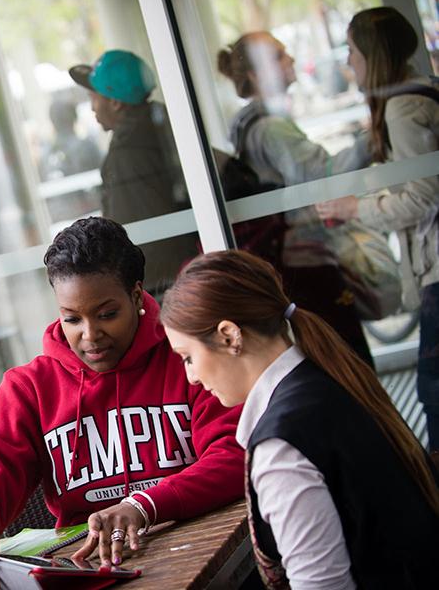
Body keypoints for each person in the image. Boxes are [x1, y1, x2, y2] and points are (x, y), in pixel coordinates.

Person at [0, 217, 244, 589]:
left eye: (107, 314)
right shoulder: (30, 388)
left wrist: (143, 505)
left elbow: (234, 454)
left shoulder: (187, 359)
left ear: (135, 295)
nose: (90, 334)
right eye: (72, 319)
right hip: (92, 571)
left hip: (203, 553)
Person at [160, 249, 439, 588]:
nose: (190, 377)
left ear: (229, 336)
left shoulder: (281, 446)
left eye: (188, 357)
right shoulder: (329, 377)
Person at [316, 6, 439, 453]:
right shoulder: (423, 93)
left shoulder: (404, 108)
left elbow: (425, 194)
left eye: (352, 51)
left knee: (433, 392)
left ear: (373, 53)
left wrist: (356, 208)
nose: (349, 62)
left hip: (438, 271)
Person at [217, 31, 374, 367]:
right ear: (257, 74)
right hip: (307, 258)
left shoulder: (247, 124)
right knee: (350, 360)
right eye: (279, 55)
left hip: (289, 258)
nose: (289, 60)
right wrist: (372, 139)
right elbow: (321, 174)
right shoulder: (271, 128)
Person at [69, 50, 198, 296]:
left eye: (94, 97)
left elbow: (130, 233)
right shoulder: (164, 127)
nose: (92, 107)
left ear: (115, 102)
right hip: (184, 272)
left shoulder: (126, 154)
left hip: (161, 288)